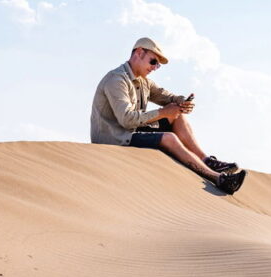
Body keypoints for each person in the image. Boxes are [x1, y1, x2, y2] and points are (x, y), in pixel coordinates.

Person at [90, 37, 246, 194]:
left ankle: (206, 161)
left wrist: (181, 102)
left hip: (131, 131)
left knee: (177, 116)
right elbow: (126, 119)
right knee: (168, 138)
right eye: (153, 61)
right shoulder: (117, 80)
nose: (155, 67)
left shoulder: (143, 81)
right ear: (138, 53)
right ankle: (218, 178)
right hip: (114, 138)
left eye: (157, 65)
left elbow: (164, 95)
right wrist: (163, 112)